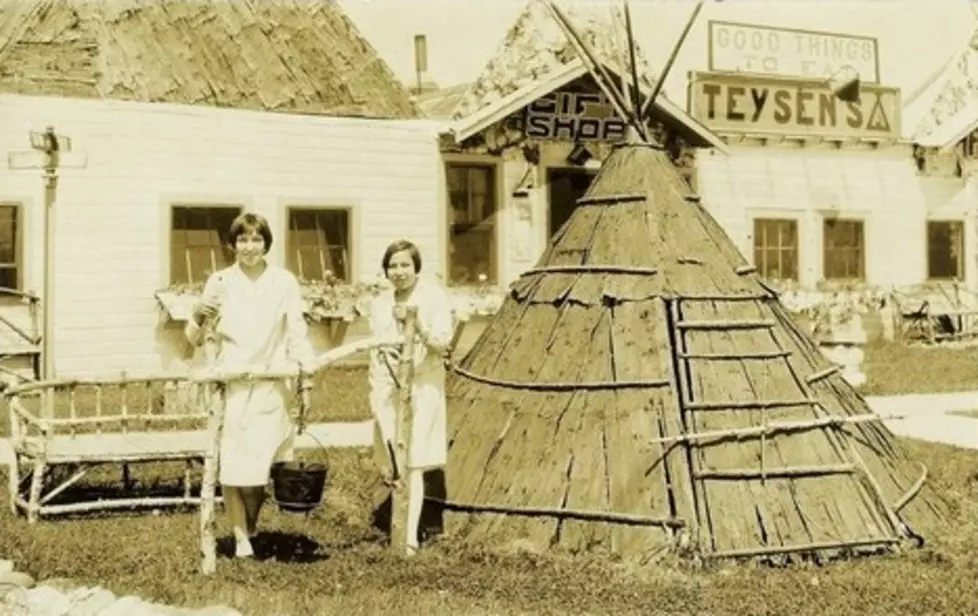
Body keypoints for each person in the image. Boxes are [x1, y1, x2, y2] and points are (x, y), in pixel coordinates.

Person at [185, 212, 315, 559]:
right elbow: (194, 338)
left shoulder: (284, 282)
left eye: (256, 239)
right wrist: (198, 315)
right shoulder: (221, 281)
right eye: (242, 240)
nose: (249, 247)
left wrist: (306, 381)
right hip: (232, 384)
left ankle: (251, 526)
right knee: (232, 463)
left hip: (273, 383)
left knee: (259, 469)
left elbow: (296, 331)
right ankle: (241, 538)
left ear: (266, 243)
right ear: (232, 244)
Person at [368, 239, 454, 553]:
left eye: (405, 264)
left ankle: (409, 538)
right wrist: (376, 394)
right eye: (393, 265)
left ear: (416, 267)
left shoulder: (433, 298)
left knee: (415, 460)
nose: (399, 271)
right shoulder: (380, 303)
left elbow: (442, 343)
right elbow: (376, 351)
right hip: (388, 386)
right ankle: (393, 524)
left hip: (422, 384)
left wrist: (416, 323)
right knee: (393, 460)